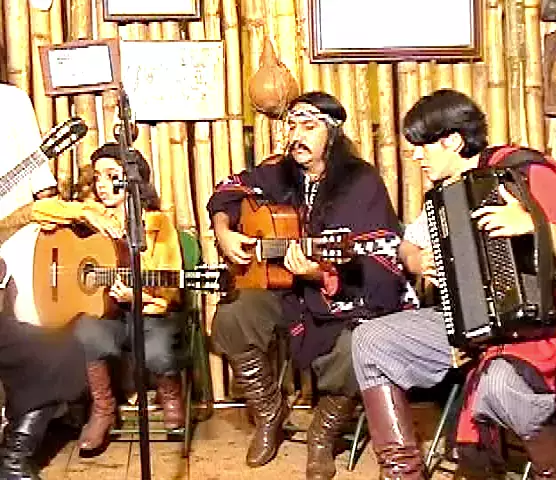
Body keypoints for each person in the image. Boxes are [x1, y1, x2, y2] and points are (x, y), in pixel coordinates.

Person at [351, 89, 556, 480]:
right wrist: (418, 260)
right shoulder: (444, 196)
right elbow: (407, 246)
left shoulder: (524, 174)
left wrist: (533, 225)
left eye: (421, 145)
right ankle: (402, 472)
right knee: (370, 340)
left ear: (452, 141)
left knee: (499, 385)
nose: (414, 156)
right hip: (463, 328)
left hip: (533, 329)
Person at [207, 91, 408, 479]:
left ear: (331, 133)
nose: (297, 135)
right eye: (292, 126)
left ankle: (322, 435)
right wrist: (223, 231)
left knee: (357, 346)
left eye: (309, 127)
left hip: (340, 295)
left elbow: (379, 257)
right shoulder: (278, 172)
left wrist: (319, 273)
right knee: (231, 316)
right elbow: (227, 189)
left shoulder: (360, 181)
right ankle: (269, 413)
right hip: (284, 292)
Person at [33, 143, 186, 453]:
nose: (102, 184)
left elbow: (171, 287)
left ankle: (171, 395)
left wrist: (137, 296)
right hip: (107, 316)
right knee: (87, 331)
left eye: (111, 175)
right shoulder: (91, 218)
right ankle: (103, 408)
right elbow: (39, 211)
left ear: (132, 179)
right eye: (97, 177)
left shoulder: (157, 224)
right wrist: (85, 212)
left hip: (148, 314)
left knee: (157, 346)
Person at [0, 82, 116, 479]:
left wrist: (62, 215)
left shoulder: (11, 102)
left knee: (61, 348)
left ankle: (13, 458)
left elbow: (41, 188)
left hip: (14, 252)